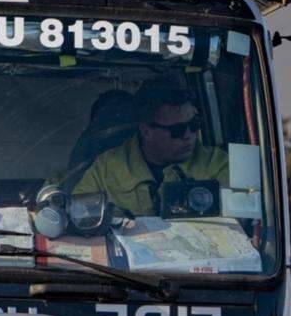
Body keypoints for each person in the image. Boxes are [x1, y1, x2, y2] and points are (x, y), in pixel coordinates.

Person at [71, 83, 228, 216]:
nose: (188, 136)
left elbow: (243, 224)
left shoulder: (218, 166)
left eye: (194, 125)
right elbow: (78, 215)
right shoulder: (105, 170)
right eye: (177, 130)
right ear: (146, 131)